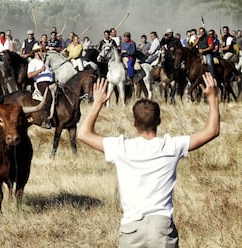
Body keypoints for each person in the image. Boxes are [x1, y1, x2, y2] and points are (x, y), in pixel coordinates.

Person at [77, 72, 220, 248]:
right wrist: (213, 98)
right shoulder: (171, 147)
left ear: (134, 123)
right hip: (162, 228)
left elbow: (83, 134)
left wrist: (98, 103)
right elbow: (212, 131)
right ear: (159, 121)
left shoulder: (121, 148)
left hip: (131, 228)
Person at [27, 43, 54, 129]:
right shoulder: (33, 62)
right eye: (41, 51)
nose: (43, 53)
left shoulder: (43, 62)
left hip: (51, 83)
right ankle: (45, 120)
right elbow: (29, 75)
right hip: (41, 83)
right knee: (48, 97)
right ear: (36, 52)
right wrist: (40, 70)